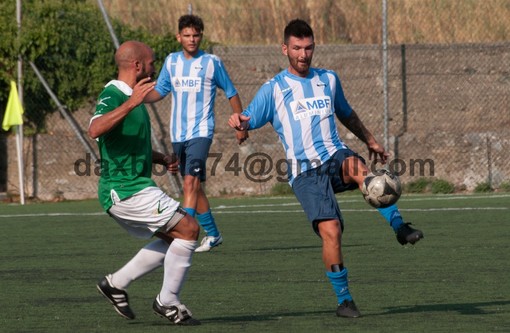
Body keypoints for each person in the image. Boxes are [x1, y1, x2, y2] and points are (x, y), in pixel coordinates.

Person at [229, 19, 424, 318]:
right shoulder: (274, 89)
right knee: (331, 231)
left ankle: (399, 226)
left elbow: (346, 113)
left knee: (361, 169)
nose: (303, 54)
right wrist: (239, 121)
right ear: (285, 49)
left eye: (308, 48)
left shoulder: (328, 79)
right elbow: (249, 117)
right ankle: (345, 301)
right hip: (304, 172)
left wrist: (370, 141)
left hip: (334, 155)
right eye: (297, 48)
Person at [89, 41, 201, 325]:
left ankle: (116, 283)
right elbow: (95, 128)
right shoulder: (114, 94)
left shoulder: (133, 96)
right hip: (123, 189)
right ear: (137, 66)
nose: (154, 67)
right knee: (188, 229)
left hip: (136, 186)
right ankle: (168, 302)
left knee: (176, 240)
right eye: (151, 63)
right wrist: (129, 104)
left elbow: (126, 143)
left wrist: (161, 158)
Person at [145, 14, 248, 252]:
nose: (192, 40)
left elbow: (231, 92)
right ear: (178, 37)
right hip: (178, 134)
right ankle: (213, 234)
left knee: (190, 182)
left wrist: (240, 126)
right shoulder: (171, 62)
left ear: (201, 36)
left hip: (201, 131)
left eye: (196, 35)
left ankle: (182, 235)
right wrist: (136, 98)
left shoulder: (212, 62)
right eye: (187, 35)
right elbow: (160, 90)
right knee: (193, 186)